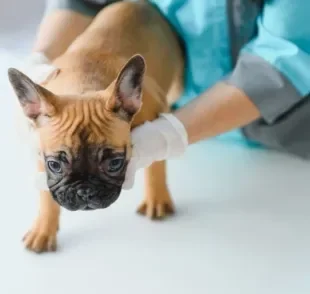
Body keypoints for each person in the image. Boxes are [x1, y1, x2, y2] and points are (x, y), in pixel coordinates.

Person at [23, 0, 310, 190]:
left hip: (281, 119)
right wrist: (40, 61)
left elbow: (283, 56)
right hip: (169, 102)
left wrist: (167, 136)